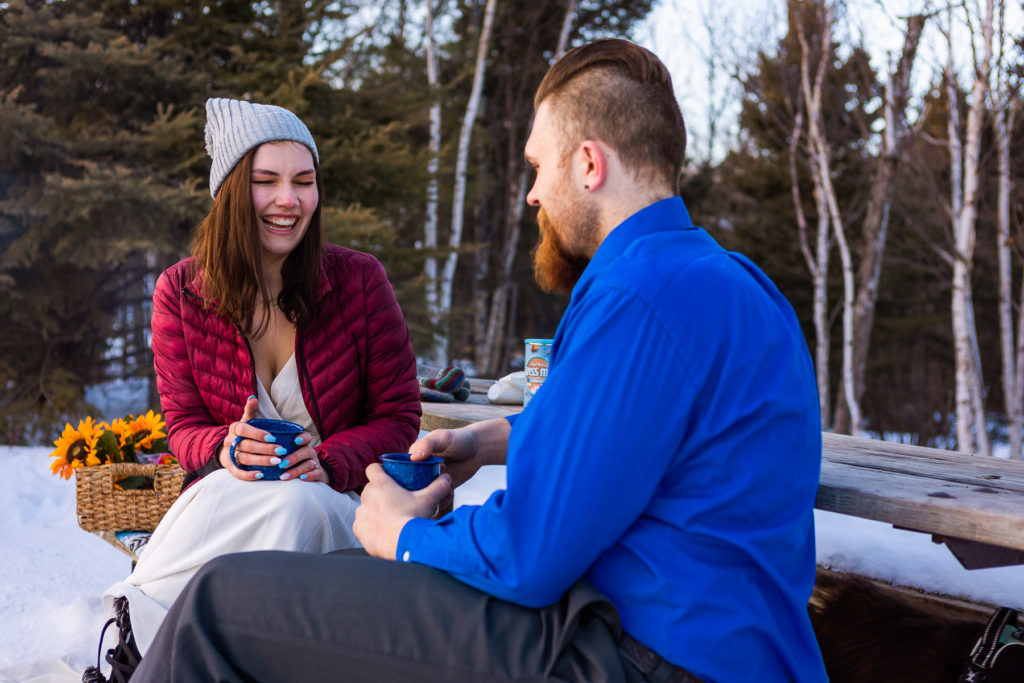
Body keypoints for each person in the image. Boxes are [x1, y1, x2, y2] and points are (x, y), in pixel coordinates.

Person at [132, 40, 827, 682]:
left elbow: (528, 554)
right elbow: (640, 437)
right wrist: (489, 438)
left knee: (219, 604)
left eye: (537, 166)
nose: (532, 194)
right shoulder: (737, 286)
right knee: (325, 574)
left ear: (588, 164)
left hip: (641, 653)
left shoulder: (636, 298)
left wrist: (401, 533)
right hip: (730, 644)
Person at [101, 97, 421, 656]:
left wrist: (328, 460)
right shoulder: (180, 293)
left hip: (332, 504)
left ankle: (149, 639)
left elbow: (399, 416)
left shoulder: (360, 281)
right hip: (231, 501)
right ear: (229, 191)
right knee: (238, 490)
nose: (288, 200)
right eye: (265, 180)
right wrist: (225, 445)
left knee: (295, 503)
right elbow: (183, 426)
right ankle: (156, 636)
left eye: (304, 180)